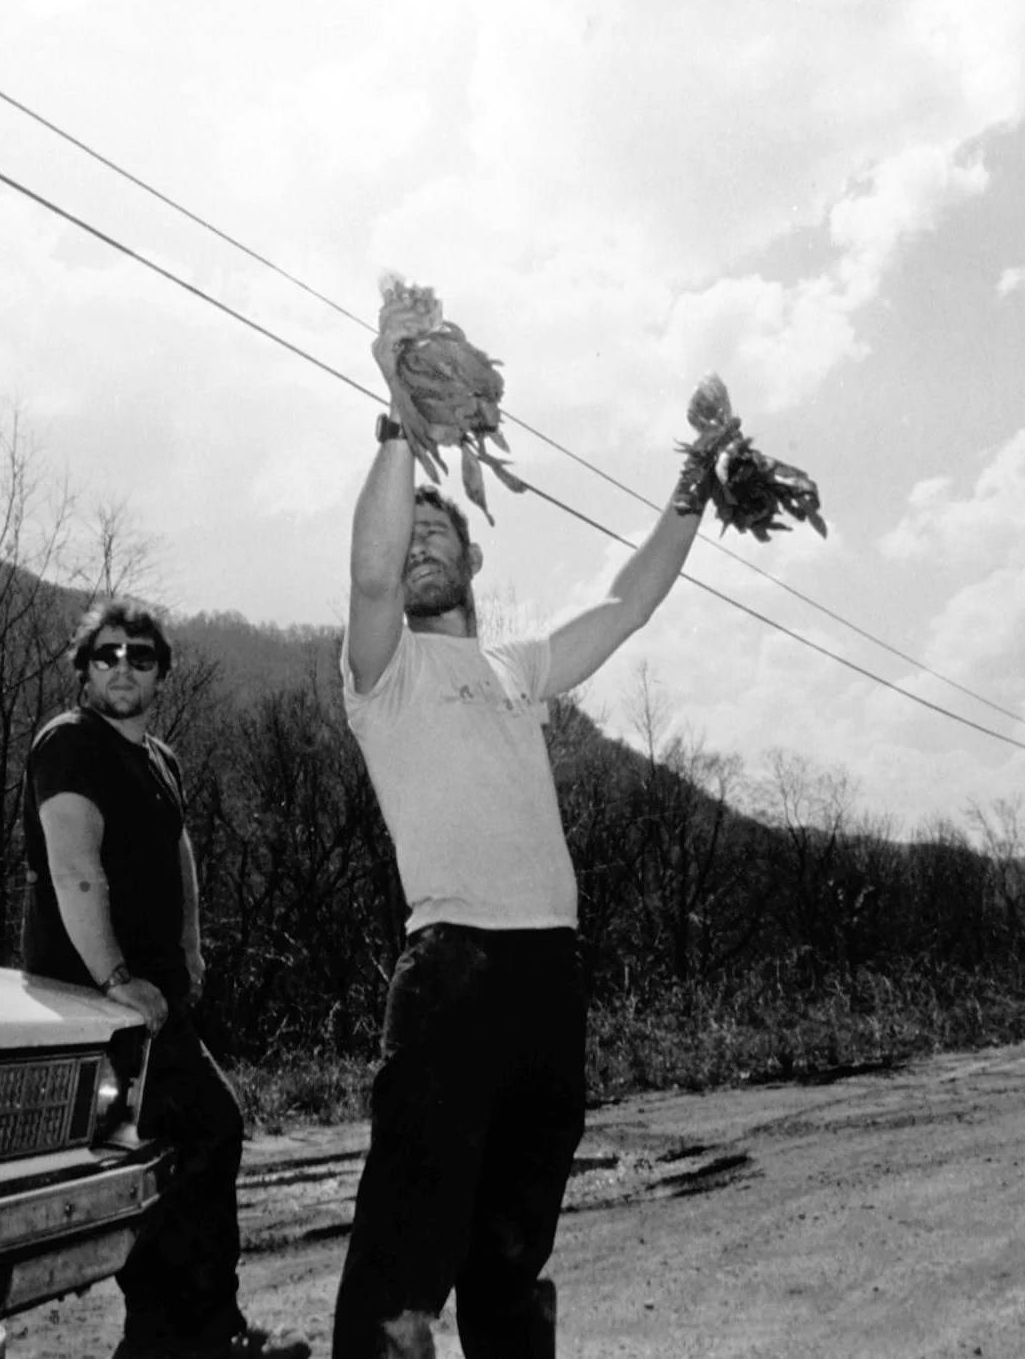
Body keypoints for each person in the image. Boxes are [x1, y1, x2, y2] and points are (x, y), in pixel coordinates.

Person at [331, 303, 711, 1358]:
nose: (417, 547)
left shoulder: (517, 670)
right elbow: (368, 574)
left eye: (437, 531)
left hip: (550, 973)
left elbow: (629, 602)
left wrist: (697, 477)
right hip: (451, 970)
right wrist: (401, 423)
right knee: (406, 1252)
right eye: (407, 534)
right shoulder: (381, 672)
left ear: (471, 557)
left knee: (510, 1251)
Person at [21, 600, 309, 1359]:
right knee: (196, 1133)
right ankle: (188, 1334)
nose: (123, 666)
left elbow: (180, 854)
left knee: (180, 1145)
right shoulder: (69, 743)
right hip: (94, 999)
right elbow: (73, 868)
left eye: (140, 656)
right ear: (84, 670)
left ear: (160, 674)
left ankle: (182, 1333)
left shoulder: (159, 759)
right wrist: (115, 975)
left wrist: (190, 949)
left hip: (150, 999)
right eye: (107, 654)